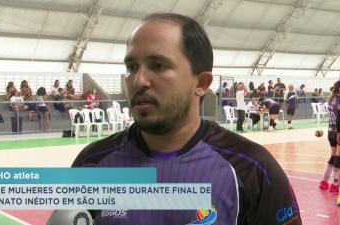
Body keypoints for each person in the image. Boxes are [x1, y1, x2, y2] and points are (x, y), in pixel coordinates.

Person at [67, 13, 301, 225]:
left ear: (201, 83)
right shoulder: (93, 163)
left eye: (158, 66)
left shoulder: (252, 168)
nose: (138, 81)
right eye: (131, 66)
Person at [319, 81, 340, 199]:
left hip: (330, 131)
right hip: (337, 131)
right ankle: (335, 184)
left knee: (333, 157)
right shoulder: (338, 100)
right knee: (338, 158)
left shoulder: (331, 98)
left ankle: (324, 181)